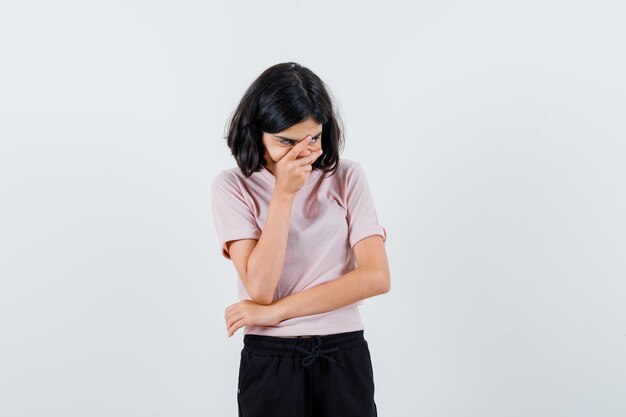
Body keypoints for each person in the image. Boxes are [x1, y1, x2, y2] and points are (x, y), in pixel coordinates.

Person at [210, 61, 390, 417]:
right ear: (257, 133)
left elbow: (376, 277)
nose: (301, 153)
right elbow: (259, 288)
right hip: (270, 359)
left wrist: (276, 312)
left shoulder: (347, 177)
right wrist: (283, 194)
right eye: (286, 142)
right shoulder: (232, 186)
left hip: (343, 354)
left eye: (313, 138)